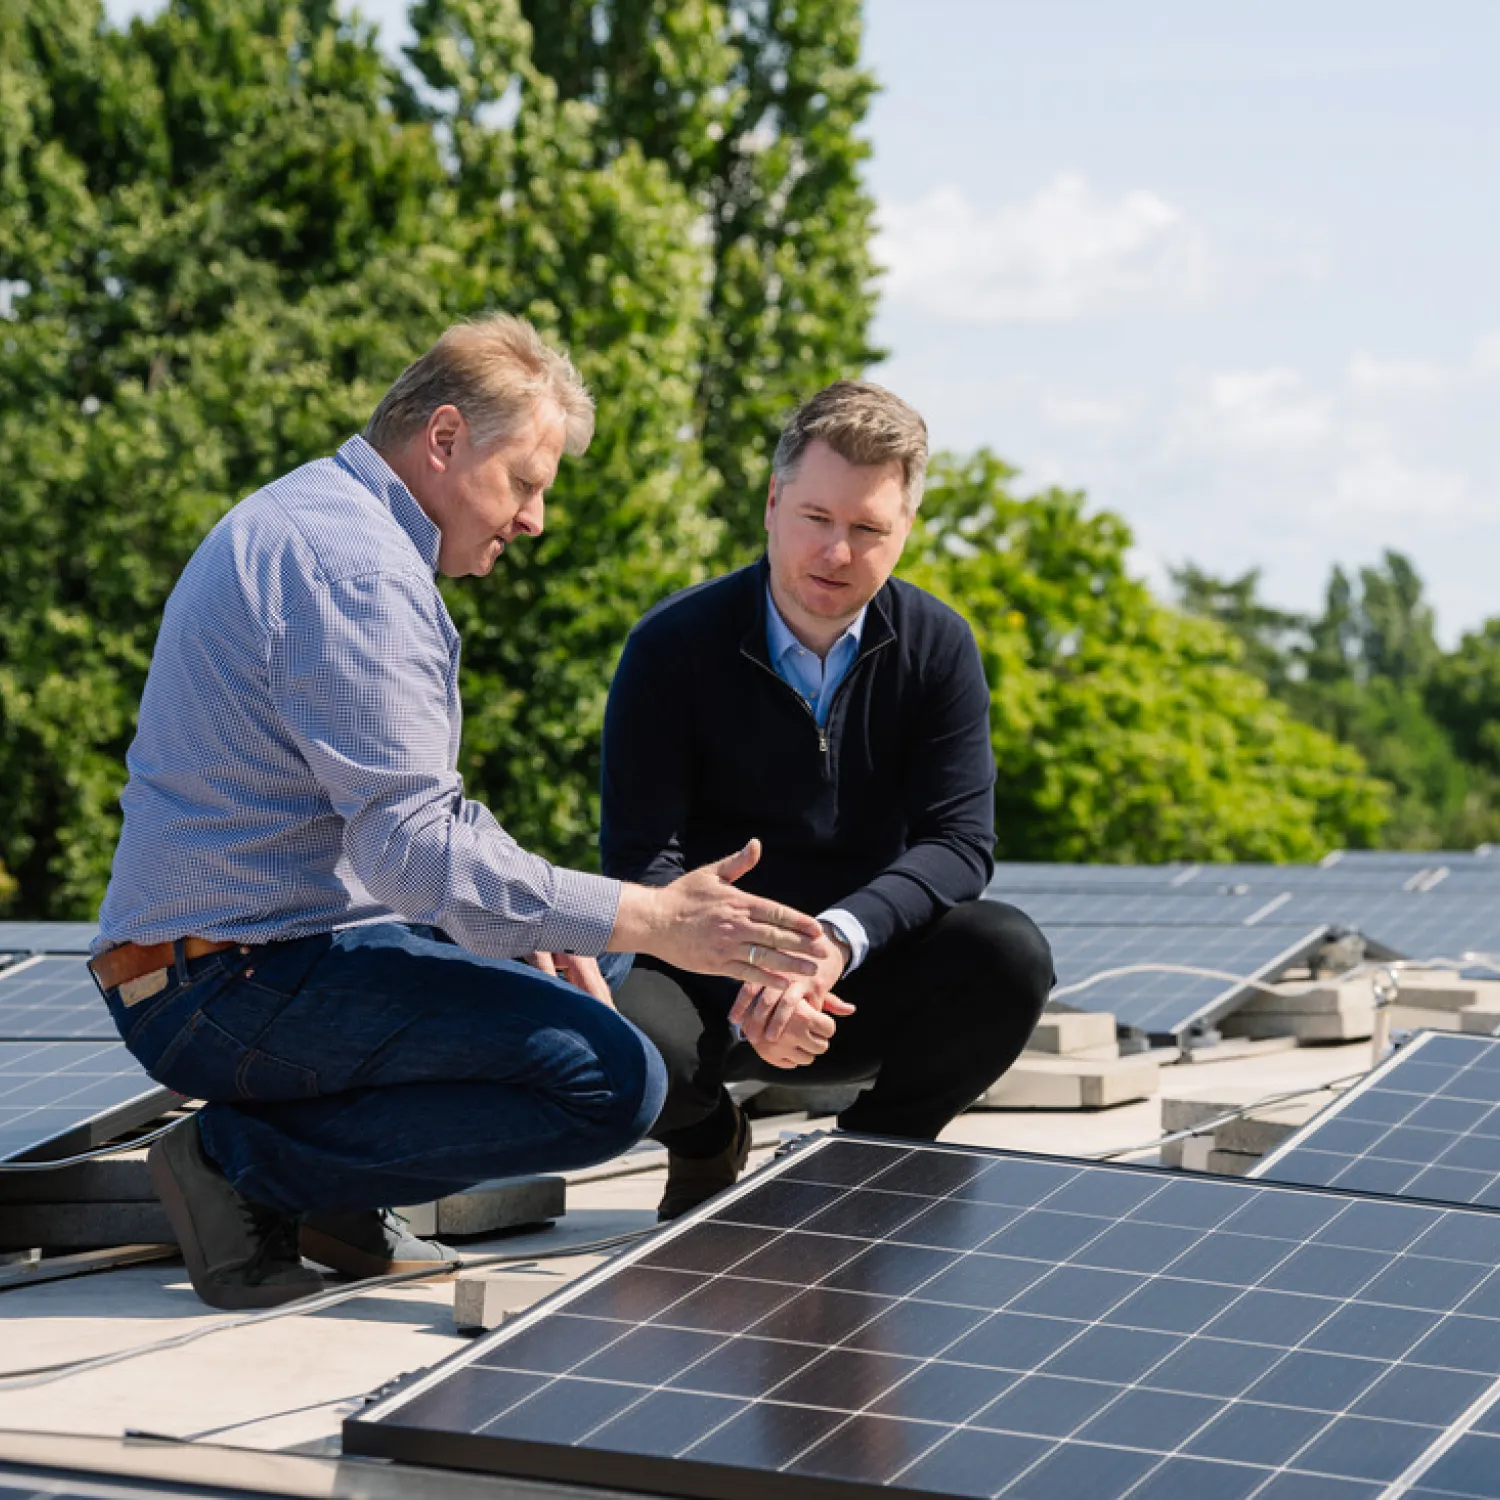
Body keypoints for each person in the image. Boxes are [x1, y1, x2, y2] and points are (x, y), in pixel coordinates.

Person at [91, 314, 827, 1310]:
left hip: (238, 961)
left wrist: (537, 924)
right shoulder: (354, 569)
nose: (534, 520)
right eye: (525, 483)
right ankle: (240, 1169)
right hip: (227, 985)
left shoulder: (324, 523)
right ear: (443, 440)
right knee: (611, 1075)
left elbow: (424, 820)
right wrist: (650, 918)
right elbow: (415, 849)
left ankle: (334, 1200)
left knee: (561, 977)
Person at [601, 380, 1054, 1220]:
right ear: (772, 504)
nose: (837, 554)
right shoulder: (670, 648)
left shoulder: (938, 647)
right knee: (597, 1022)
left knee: (1011, 956)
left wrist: (834, 946)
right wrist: (756, 968)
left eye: (868, 529)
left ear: (906, 532)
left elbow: (961, 843)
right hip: (707, 973)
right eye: (816, 519)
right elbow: (642, 862)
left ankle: (867, 1155)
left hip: (859, 973)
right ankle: (707, 1139)